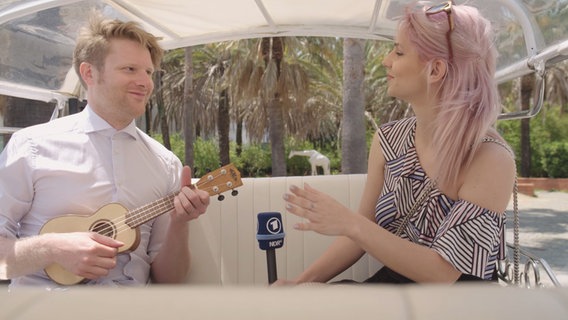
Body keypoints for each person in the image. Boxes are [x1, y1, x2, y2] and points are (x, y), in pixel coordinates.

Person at [280, 1, 516, 284]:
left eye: (399, 51)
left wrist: (349, 222)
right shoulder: (389, 140)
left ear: (436, 70)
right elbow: (360, 232)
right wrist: (299, 284)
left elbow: (442, 273)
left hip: (459, 301)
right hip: (395, 288)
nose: (386, 61)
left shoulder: (490, 158)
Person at [0, 13, 210, 289]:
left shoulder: (166, 164)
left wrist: (180, 223)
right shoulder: (31, 147)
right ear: (89, 73)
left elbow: (170, 278)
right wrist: (52, 248)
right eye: (130, 69)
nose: (145, 82)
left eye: (148, 72)